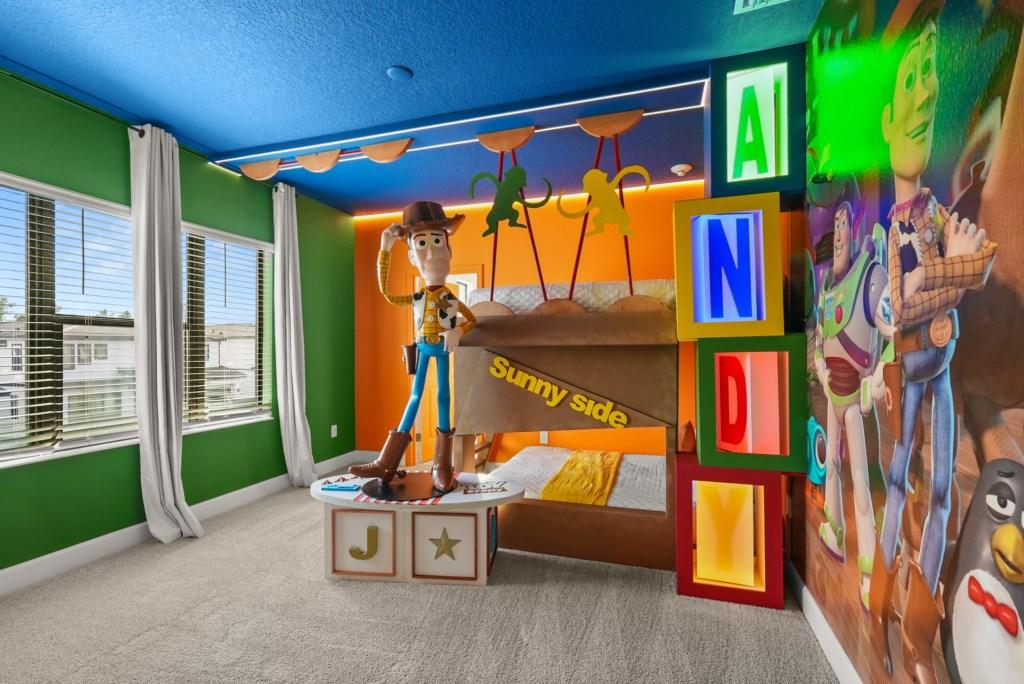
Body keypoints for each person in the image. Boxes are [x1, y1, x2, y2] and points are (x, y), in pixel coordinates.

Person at [867, 2, 998, 679]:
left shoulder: (937, 214)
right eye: (909, 78)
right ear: (888, 119)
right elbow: (902, 304)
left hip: (938, 370)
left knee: (940, 490)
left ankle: (917, 624)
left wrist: (938, 279)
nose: (924, 93)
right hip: (912, 369)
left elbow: (977, 268)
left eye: (930, 72)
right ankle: (881, 602)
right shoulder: (895, 227)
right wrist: (953, 273)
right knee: (899, 481)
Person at [349, 201, 477, 493]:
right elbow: (387, 293)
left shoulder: (452, 299)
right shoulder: (417, 297)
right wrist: (384, 247)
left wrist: (457, 330)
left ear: (449, 250)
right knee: (415, 397)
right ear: (411, 256)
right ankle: (386, 461)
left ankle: (442, 465)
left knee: (443, 395)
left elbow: (472, 319)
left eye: (437, 241)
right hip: (422, 349)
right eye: (421, 243)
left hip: (441, 351)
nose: (431, 252)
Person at [814, 201, 888, 611]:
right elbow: (819, 341)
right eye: (835, 224)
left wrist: (877, 381)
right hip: (832, 393)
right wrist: (821, 370)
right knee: (831, 467)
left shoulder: (871, 276)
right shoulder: (826, 287)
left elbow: (892, 335)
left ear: (855, 227)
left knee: (860, 476)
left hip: (857, 396)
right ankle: (835, 531)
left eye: (844, 223)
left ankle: (869, 569)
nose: (838, 233)